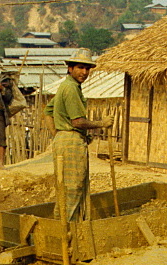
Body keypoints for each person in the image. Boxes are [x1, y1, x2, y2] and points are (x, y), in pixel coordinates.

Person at [45, 49, 113, 229]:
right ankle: (69, 233)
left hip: (64, 139)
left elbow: (48, 112)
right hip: (71, 142)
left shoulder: (66, 87)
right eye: (80, 68)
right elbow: (77, 121)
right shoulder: (71, 88)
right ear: (70, 68)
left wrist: (57, 134)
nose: (84, 72)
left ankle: (62, 229)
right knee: (74, 188)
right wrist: (101, 123)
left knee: (64, 188)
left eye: (87, 69)